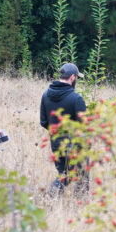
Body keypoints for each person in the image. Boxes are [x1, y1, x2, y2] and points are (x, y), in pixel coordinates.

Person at [39, 63, 88, 196]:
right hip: (75, 144)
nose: (76, 80)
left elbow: (43, 122)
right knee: (82, 175)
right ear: (72, 77)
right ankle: (80, 204)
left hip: (56, 144)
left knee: (65, 175)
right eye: (77, 77)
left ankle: (51, 198)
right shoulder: (76, 98)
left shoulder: (45, 96)